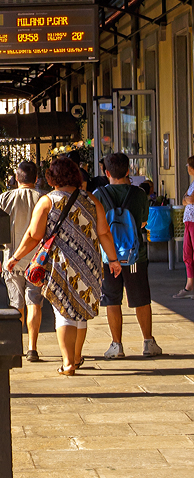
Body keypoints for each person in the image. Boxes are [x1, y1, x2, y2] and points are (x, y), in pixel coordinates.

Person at [5, 154, 121, 377]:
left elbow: (33, 235)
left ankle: (68, 363)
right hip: (90, 263)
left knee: (63, 312)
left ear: (51, 178)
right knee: (80, 310)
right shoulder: (91, 199)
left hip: (61, 263)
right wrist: (113, 260)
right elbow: (104, 232)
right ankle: (76, 358)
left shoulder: (48, 201)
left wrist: (16, 257)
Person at [96, 152, 162, 358]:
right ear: (129, 171)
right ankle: (148, 342)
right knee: (141, 298)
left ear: (106, 172)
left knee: (112, 299)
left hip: (109, 256)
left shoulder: (98, 195)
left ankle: (116, 345)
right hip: (135, 256)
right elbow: (143, 222)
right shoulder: (139, 194)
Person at [0, 160, 43, 361]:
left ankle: (17, 346)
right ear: (36, 178)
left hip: (11, 259)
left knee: (16, 304)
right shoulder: (44, 199)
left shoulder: (4, 198)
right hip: (38, 261)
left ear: (16, 178)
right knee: (34, 303)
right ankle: (33, 348)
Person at [176, 156, 194, 300]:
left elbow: (190, 199)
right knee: (187, 254)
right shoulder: (192, 183)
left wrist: (188, 199)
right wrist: (187, 199)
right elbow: (184, 199)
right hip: (188, 220)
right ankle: (189, 285)